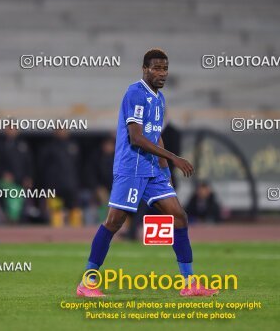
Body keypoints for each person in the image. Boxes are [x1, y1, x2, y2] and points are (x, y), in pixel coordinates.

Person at [76, 49, 218, 297]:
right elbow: (137, 137)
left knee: (179, 216)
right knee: (114, 222)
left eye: (165, 69)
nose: (162, 73)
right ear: (145, 69)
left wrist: (165, 172)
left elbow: (156, 136)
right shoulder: (135, 93)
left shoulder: (159, 99)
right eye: (156, 68)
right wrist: (174, 158)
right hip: (131, 168)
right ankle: (86, 284)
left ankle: (189, 284)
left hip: (153, 170)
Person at [0, 126, 33, 223]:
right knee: (12, 198)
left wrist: (28, 177)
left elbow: (29, 163)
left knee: (20, 204)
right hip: (4, 182)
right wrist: (2, 173)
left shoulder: (23, 145)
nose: (11, 131)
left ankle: (15, 222)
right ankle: (10, 221)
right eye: (9, 128)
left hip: (20, 181)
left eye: (13, 128)